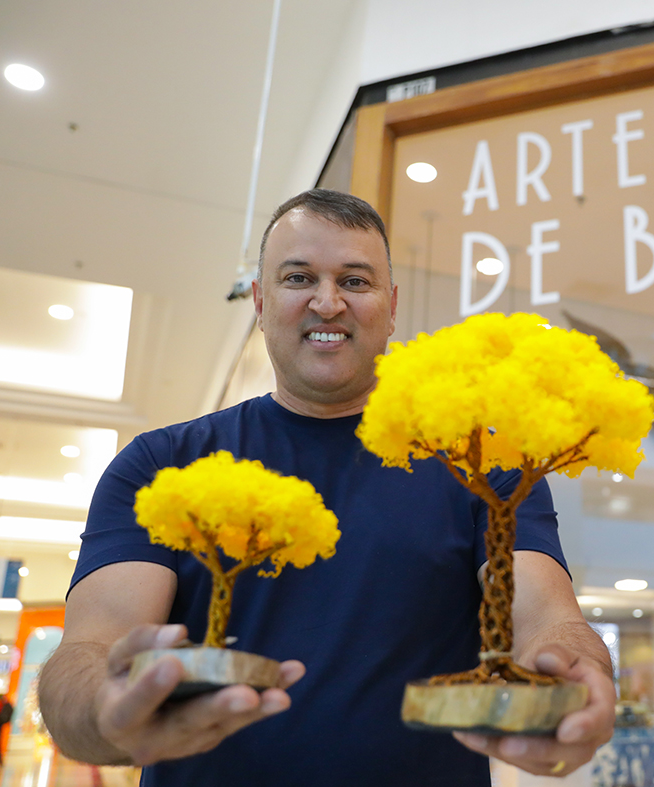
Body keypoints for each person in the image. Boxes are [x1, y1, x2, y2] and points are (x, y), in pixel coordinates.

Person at [36, 189, 615, 786]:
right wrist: (104, 709)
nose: (328, 302)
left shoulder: (484, 461)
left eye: (355, 281)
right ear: (260, 302)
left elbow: (545, 616)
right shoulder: (160, 465)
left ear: (392, 306)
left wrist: (578, 670)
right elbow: (90, 648)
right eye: (298, 277)